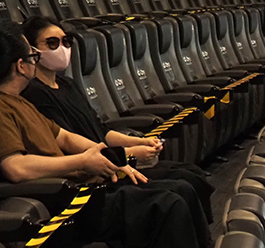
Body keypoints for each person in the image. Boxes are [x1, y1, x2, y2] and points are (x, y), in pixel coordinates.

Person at [0, 22, 210, 248]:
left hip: (84, 189)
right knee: (165, 204)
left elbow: (65, 137)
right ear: (20, 65)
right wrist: (84, 163)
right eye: (34, 55)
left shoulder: (17, 100)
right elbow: (16, 168)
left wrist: (114, 160)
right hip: (62, 208)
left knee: (177, 188)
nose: (36, 60)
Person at [19, 16, 214, 222]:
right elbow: (69, 144)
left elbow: (101, 130)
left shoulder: (68, 84)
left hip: (110, 161)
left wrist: (139, 142)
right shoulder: (34, 94)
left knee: (191, 174)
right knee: (179, 189)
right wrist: (127, 154)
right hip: (95, 175)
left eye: (66, 42)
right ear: (32, 50)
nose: (62, 48)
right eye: (52, 43)